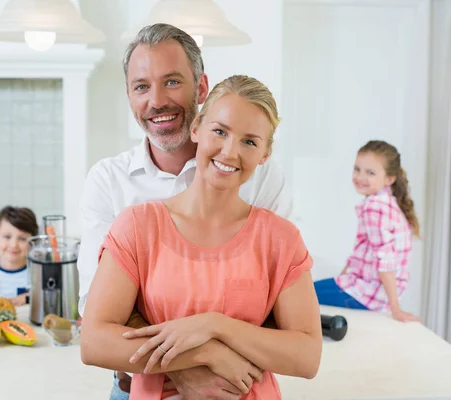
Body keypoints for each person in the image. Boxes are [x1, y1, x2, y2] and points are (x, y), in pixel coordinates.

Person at [77, 23, 292, 399]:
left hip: (236, 387)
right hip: (135, 386)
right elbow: (97, 313)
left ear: (202, 88)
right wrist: (188, 362)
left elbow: (279, 306)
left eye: (172, 81)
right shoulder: (109, 181)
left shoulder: (261, 174)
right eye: (141, 87)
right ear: (129, 96)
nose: (156, 101)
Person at [313, 140, 421, 322]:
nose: (360, 177)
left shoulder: (374, 207)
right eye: (357, 169)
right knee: (304, 288)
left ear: (389, 179)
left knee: (297, 294)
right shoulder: (387, 201)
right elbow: (363, 252)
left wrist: (395, 309)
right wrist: (341, 278)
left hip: (368, 295)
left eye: (370, 173)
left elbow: (385, 261)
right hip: (372, 291)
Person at [0, 206, 38, 306]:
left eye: (22, 239)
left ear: (33, 242)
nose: (14, 245)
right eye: (7, 237)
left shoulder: (37, 272)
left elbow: (48, 299)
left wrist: (28, 298)